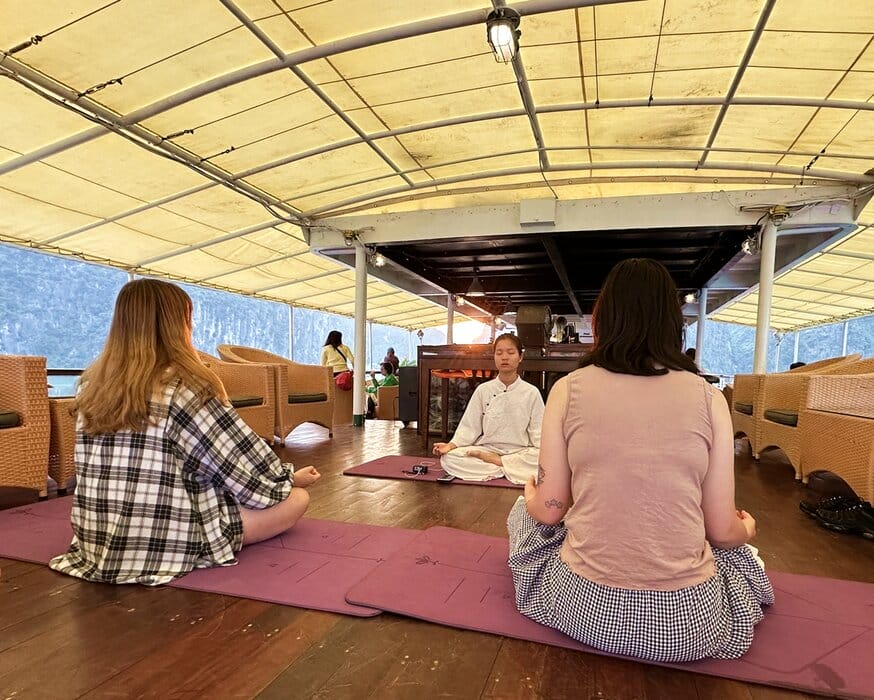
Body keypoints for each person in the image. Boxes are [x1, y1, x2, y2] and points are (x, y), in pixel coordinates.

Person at [509, 258, 773, 662]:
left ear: (602, 320)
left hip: (584, 608)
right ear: (672, 321)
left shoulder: (567, 388)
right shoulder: (709, 398)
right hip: (688, 623)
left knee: (521, 511)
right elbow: (720, 530)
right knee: (736, 550)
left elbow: (550, 510)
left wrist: (530, 497)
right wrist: (747, 530)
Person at [49, 279, 321, 586]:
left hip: (96, 540)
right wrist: (287, 478)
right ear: (178, 324)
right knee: (297, 499)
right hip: (170, 542)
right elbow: (241, 470)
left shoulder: (90, 387)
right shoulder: (187, 387)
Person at [432, 333, 543, 484]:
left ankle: (498, 463)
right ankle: (508, 467)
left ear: (520, 357)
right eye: (499, 353)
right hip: (487, 449)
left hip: (520, 451)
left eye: (510, 353)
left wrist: (546, 453)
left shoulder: (531, 392)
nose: (504, 357)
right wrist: (450, 446)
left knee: (544, 459)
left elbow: (539, 432)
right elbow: (470, 426)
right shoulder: (483, 390)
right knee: (450, 458)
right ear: (494, 357)